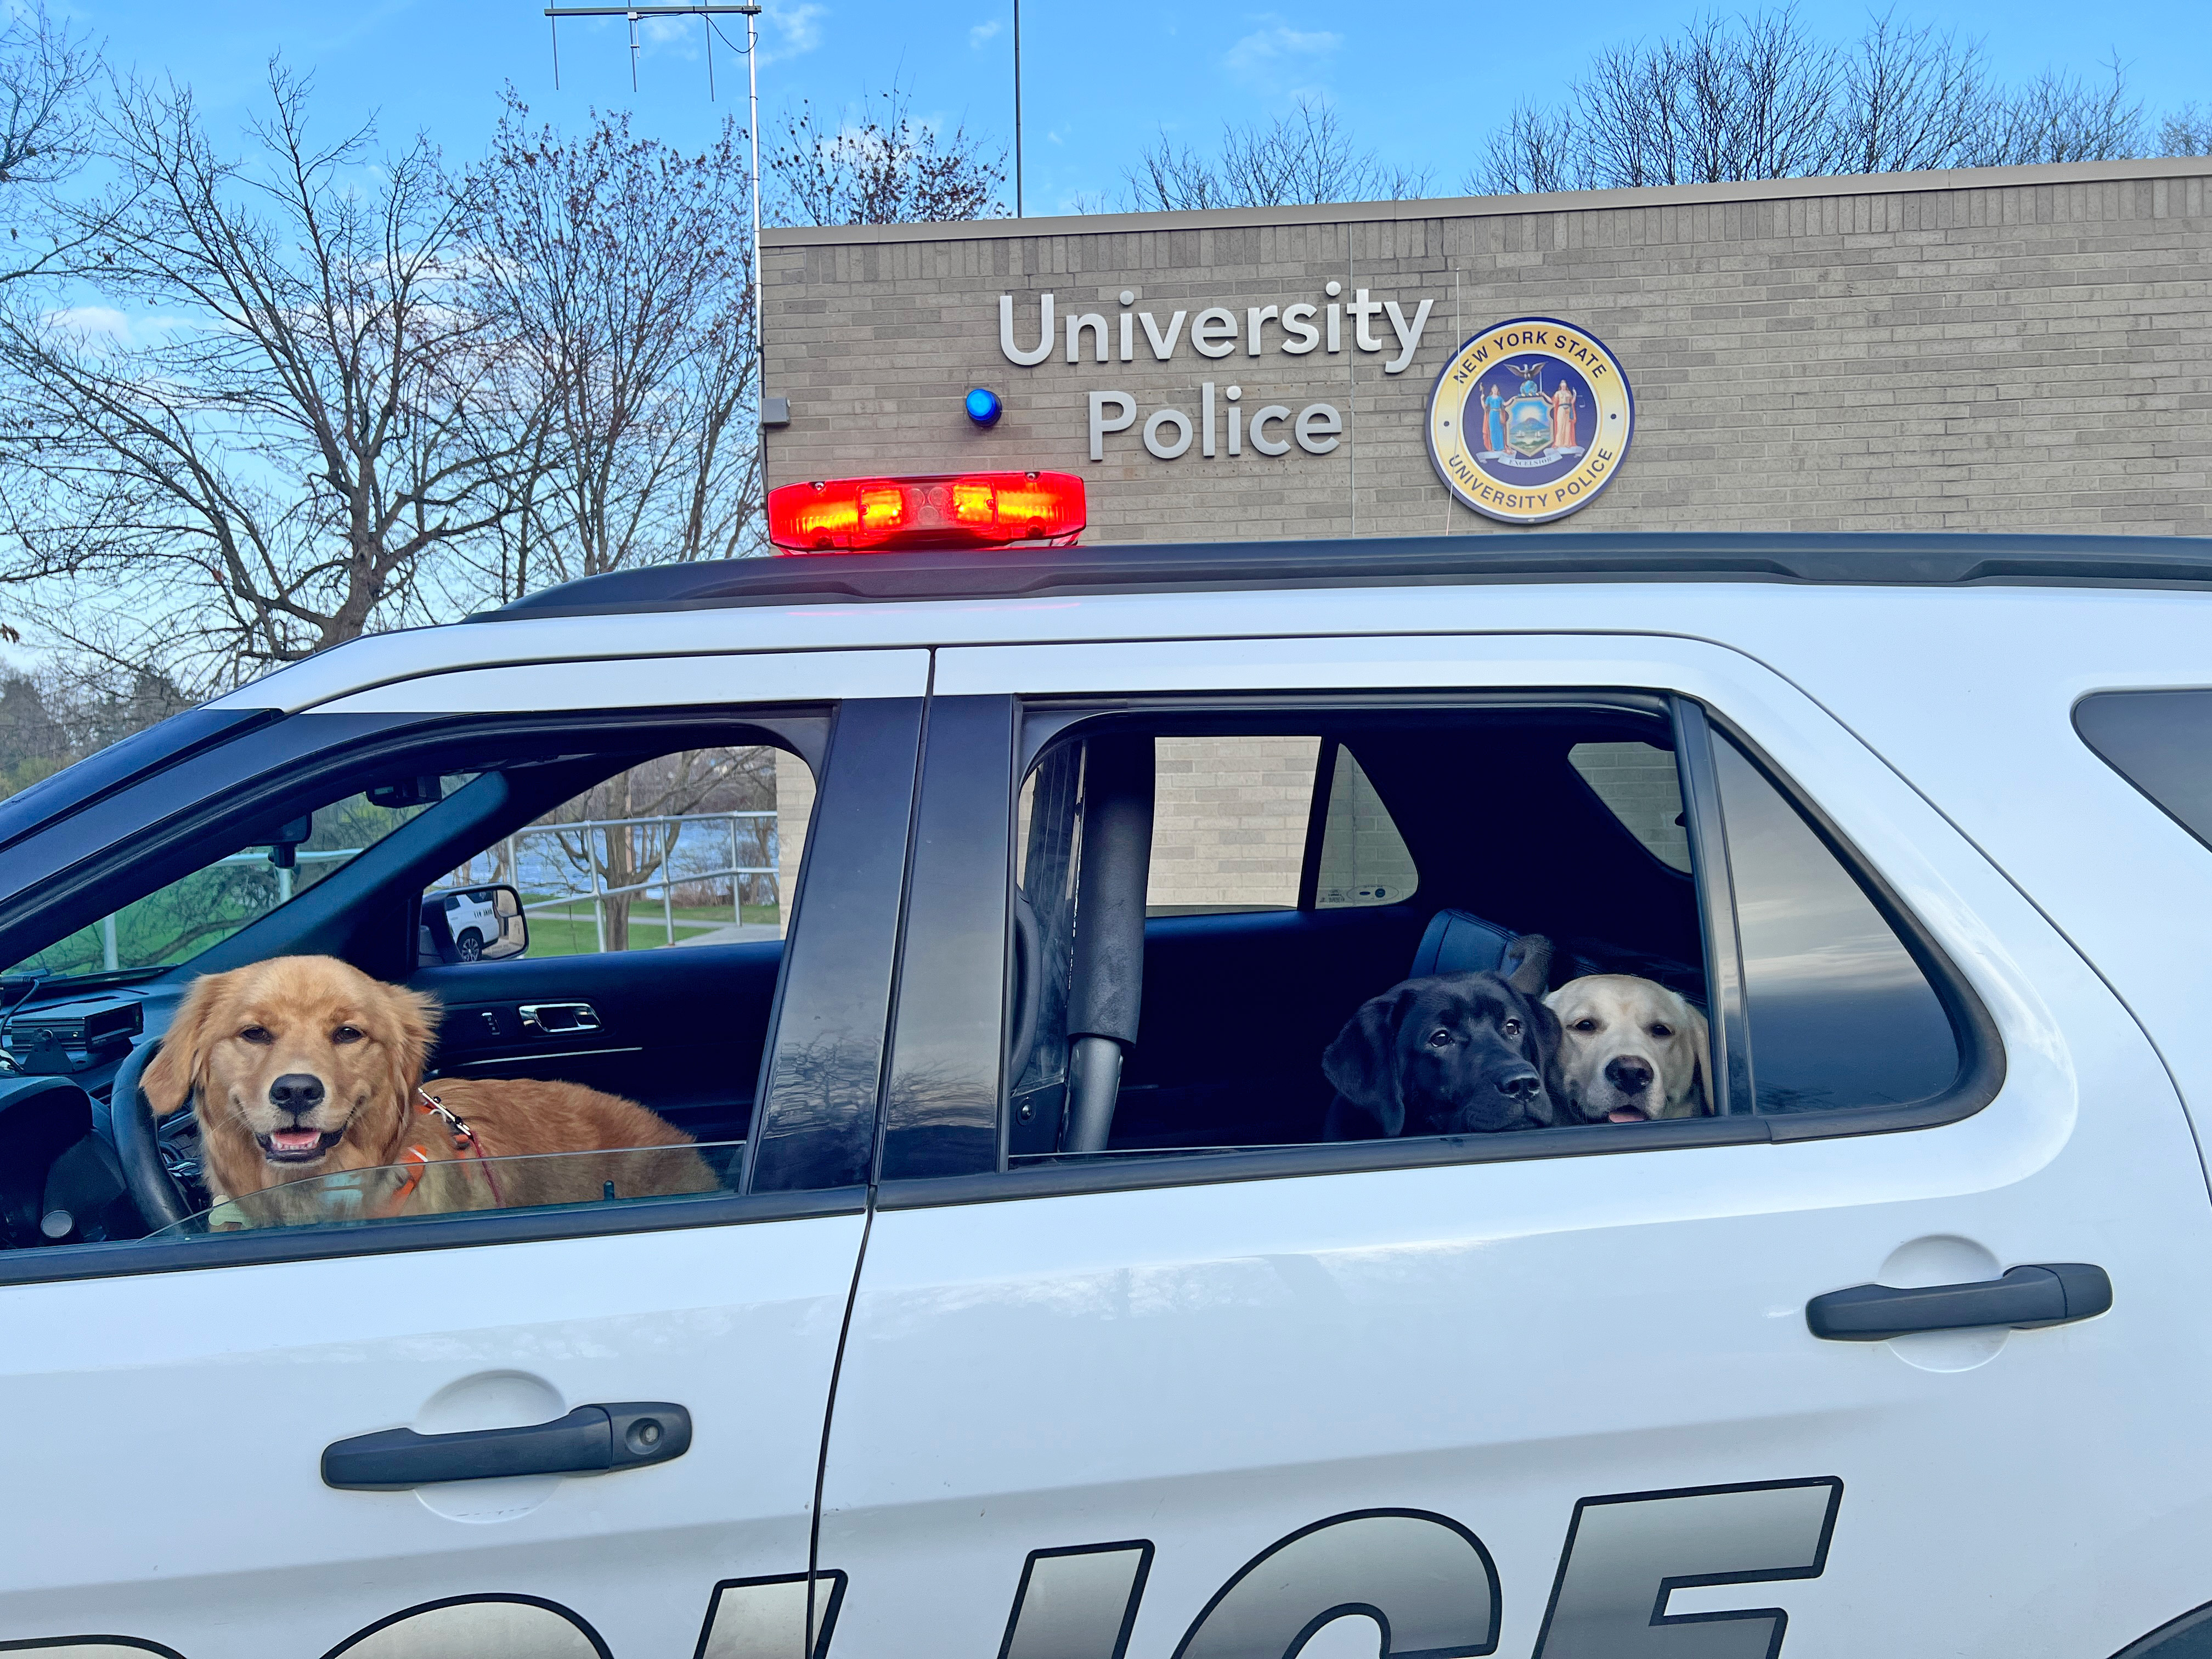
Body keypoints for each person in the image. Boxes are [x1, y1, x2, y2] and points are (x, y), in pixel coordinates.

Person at [1481, 383, 1508, 454]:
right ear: (1492, 390)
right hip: (1492, 414)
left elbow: (1505, 404)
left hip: (1499, 415)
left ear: (1498, 390)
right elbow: (1485, 407)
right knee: (1493, 430)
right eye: (1494, 389)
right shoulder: (1489, 398)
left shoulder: (1500, 398)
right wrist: (1482, 399)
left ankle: (1502, 447)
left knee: (1500, 431)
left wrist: (1513, 399)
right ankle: (1494, 447)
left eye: (1496, 389)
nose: (1495, 390)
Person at [1552, 381, 1578, 452]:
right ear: (1560, 386)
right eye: (1562, 386)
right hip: (1561, 409)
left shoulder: (1568, 393)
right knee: (1560, 426)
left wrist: (1575, 395)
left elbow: (1572, 402)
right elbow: (1553, 402)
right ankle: (1558, 444)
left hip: (1568, 410)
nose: (1564, 387)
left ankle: (1567, 443)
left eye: (1565, 386)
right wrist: (1545, 395)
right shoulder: (1558, 393)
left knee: (1567, 426)